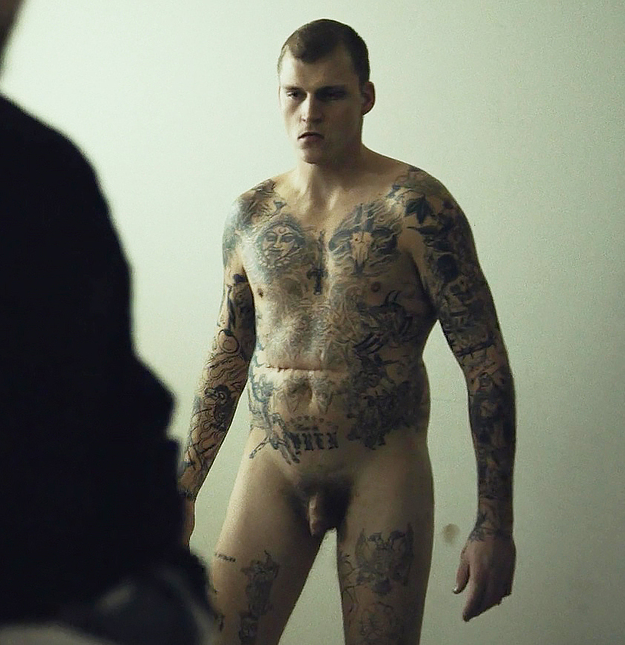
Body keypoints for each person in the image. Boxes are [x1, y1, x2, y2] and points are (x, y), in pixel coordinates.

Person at [178, 18, 516, 645]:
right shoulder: (251, 214)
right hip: (272, 465)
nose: (309, 112)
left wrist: (494, 524)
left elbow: (484, 360)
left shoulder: (416, 207)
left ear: (365, 97)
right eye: (295, 94)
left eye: (330, 94)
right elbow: (229, 348)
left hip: (381, 468)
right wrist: (184, 486)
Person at [0, 2, 219, 642]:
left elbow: (105, 398)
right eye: (298, 94)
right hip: (64, 586)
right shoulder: (42, 169)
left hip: (92, 573)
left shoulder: (44, 171)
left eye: (330, 94)